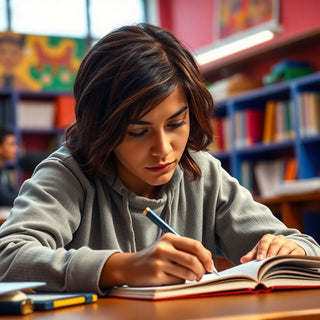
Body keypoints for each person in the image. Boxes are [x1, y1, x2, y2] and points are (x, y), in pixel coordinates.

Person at [0, 23, 319, 295]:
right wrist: (121, 267)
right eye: (138, 131)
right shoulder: (70, 172)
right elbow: (7, 259)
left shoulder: (201, 172)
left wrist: (290, 251)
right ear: (101, 127)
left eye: (176, 123)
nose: (163, 149)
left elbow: (302, 245)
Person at [0, 127, 18, 206]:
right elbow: (5, 199)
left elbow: (13, 193)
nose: (16, 148)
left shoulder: (5, 170)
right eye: (11, 144)